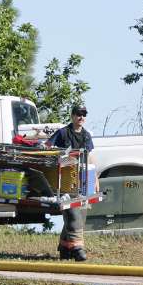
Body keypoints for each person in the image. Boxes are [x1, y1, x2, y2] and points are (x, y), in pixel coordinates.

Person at [50, 105, 94, 261]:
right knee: (72, 213)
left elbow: (89, 158)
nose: (81, 117)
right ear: (72, 116)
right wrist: (61, 158)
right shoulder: (63, 133)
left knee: (80, 213)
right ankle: (77, 248)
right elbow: (48, 148)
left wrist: (94, 179)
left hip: (81, 180)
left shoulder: (87, 136)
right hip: (64, 180)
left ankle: (64, 248)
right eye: (78, 114)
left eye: (84, 114)